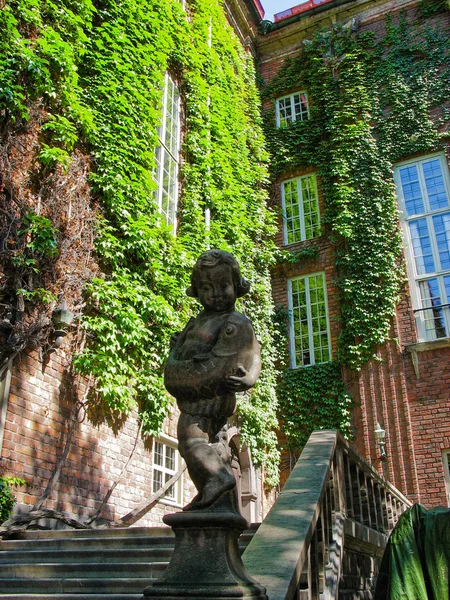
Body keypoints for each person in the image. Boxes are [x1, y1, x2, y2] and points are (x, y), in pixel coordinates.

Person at [164, 250, 261, 511]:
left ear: (236, 286)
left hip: (210, 396)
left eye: (224, 286)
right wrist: (180, 344)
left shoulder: (236, 322)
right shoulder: (200, 321)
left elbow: (254, 353)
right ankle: (212, 491)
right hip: (193, 389)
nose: (216, 294)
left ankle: (218, 478)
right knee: (212, 445)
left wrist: (249, 379)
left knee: (190, 440)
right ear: (197, 290)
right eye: (207, 287)